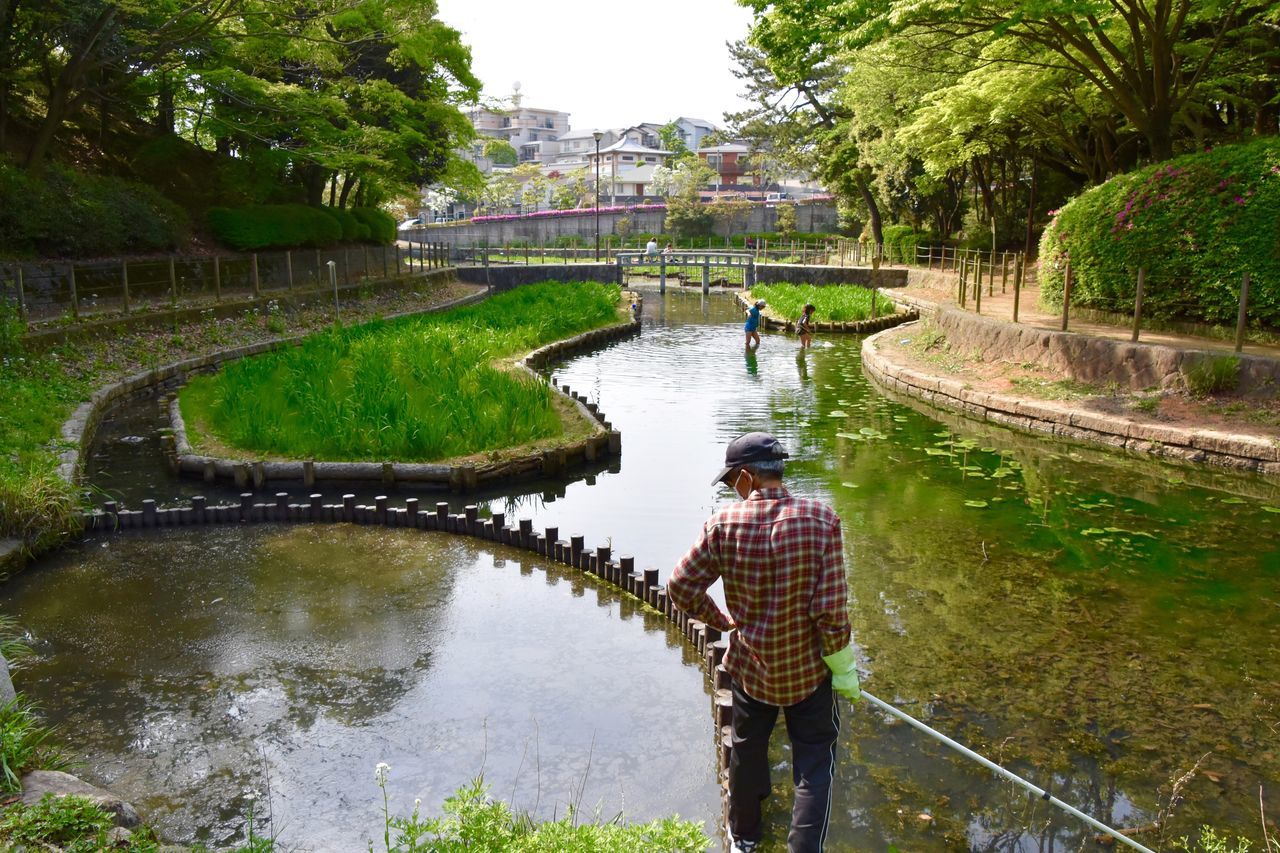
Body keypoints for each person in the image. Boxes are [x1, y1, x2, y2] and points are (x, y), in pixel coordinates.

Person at [668, 432, 860, 853]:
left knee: (747, 752)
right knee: (813, 763)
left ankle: (745, 839)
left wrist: (721, 621)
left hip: (751, 671)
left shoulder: (724, 525)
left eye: (731, 479)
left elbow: (679, 587)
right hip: (809, 674)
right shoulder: (822, 519)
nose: (730, 487)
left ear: (746, 477)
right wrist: (843, 668)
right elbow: (831, 612)